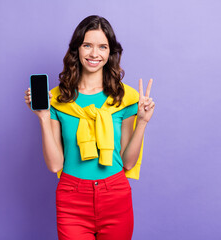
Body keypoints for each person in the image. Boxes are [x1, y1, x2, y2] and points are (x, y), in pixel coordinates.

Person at [24, 15, 155, 240]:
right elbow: (55, 164)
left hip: (115, 195)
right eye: (87, 45)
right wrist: (44, 117)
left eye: (102, 47)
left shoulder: (126, 98)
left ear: (110, 52)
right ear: (77, 49)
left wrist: (142, 122)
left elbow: (129, 162)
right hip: (72, 198)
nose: (94, 54)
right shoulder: (56, 98)